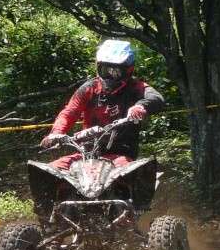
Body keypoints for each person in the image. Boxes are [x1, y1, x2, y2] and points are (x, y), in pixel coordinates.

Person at [41, 39, 165, 169]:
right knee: (52, 169)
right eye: (105, 70)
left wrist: (141, 106)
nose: (110, 76)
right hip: (86, 152)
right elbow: (70, 112)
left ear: (128, 70)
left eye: (116, 71)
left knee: (127, 173)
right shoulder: (90, 88)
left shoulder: (135, 87)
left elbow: (156, 97)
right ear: (98, 67)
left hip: (120, 153)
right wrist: (56, 133)